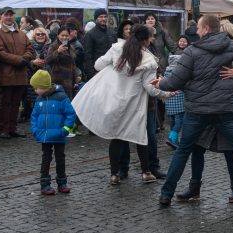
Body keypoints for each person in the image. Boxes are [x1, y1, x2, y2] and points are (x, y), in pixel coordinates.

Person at [153, 15, 233, 213]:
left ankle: (166, 194)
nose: (196, 30)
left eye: (198, 27)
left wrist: (161, 82)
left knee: (183, 151)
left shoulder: (192, 51)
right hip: (227, 110)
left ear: (206, 29)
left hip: (198, 111)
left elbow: (174, 82)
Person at [72, 24, 172, 184]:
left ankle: (115, 174)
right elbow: (151, 88)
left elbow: (98, 65)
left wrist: (112, 66)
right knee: (140, 137)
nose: (152, 39)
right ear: (145, 40)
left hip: (116, 100)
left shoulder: (117, 48)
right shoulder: (148, 60)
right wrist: (168, 93)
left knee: (117, 137)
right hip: (136, 104)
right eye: (151, 37)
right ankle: (146, 172)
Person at [29, 69, 77, 195]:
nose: (35, 90)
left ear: (43, 86)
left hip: (59, 135)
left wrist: (65, 129)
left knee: (60, 159)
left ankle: (62, 182)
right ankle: (44, 184)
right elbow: (34, 116)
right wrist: (34, 130)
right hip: (44, 137)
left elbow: (71, 114)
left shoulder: (61, 97)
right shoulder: (39, 99)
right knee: (46, 159)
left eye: (36, 87)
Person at [0, 7, 35, 139]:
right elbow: (0, 53)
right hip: (6, 74)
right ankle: (3, 129)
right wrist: (19, 60)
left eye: (11, 15)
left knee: (16, 103)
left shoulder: (21, 34)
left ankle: (12, 128)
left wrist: (25, 58)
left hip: (20, 74)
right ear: (1, 17)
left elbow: (30, 48)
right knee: (5, 103)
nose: (9, 17)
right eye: (6, 15)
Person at [45, 24, 83, 98]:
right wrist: (57, 51)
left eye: (66, 35)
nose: (64, 37)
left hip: (69, 82)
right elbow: (47, 60)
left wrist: (75, 79)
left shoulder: (70, 47)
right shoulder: (53, 46)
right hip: (57, 81)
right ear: (58, 35)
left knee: (67, 103)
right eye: (62, 35)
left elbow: (73, 64)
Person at [23, 27, 51, 122]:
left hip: (47, 75)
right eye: (38, 34)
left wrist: (46, 62)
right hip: (32, 75)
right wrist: (33, 62)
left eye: (42, 34)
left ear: (46, 36)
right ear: (34, 36)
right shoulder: (29, 47)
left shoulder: (50, 46)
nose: (40, 36)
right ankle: (31, 115)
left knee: (45, 97)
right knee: (32, 97)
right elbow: (25, 60)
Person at [82, 8, 116, 82]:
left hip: (111, 71)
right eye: (100, 17)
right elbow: (88, 56)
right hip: (97, 72)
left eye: (105, 16)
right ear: (96, 18)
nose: (103, 19)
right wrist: (91, 74)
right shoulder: (90, 35)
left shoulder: (112, 33)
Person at [164, 54, 185, 148]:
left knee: (173, 121)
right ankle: (172, 138)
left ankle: (174, 141)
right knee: (180, 121)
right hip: (179, 102)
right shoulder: (178, 73)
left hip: (169, 102)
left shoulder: (166, 72)